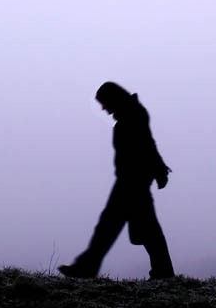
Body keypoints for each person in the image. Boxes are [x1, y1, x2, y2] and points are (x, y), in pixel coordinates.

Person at [59, 81, 175, 280]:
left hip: (132, 182)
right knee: (144, 230)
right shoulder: (131, 115)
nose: (103, 108)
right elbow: (149, 145)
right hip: (131, 181)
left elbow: (147, 145)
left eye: (104, 103)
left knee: (111, 227)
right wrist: (159, 170)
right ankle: (163, 272)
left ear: (114, 99)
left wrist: (159, 170)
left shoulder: (134, 116)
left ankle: (87, 268)